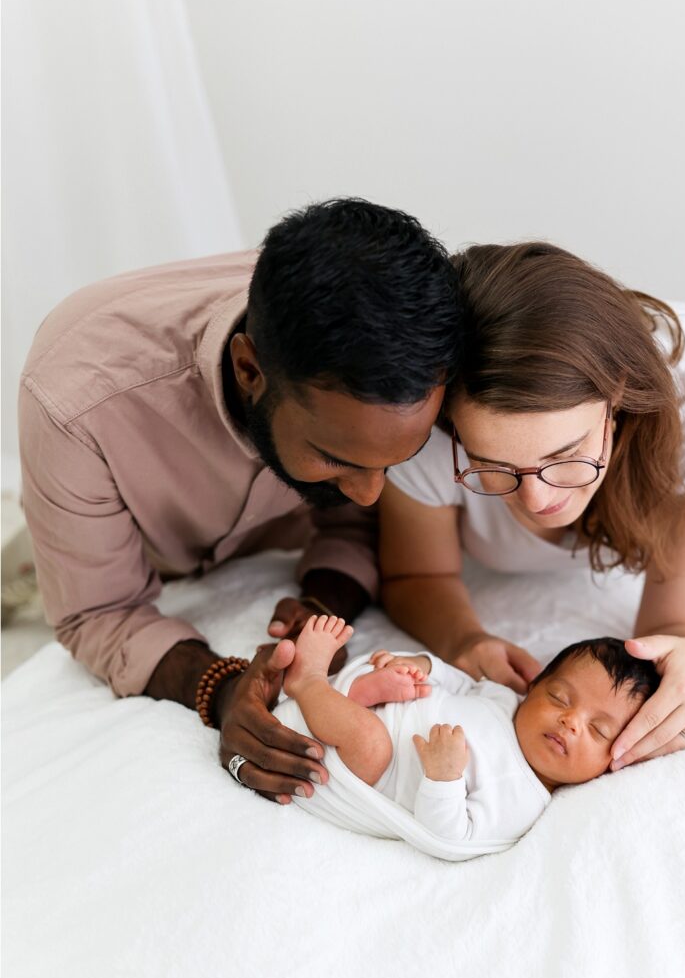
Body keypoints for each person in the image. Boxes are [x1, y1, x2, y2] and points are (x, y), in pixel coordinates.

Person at [18, 198, 465, 802]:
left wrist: (324, 599)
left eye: (395, 462)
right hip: (97, 540)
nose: (370, 493)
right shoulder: (75, 404)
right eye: (336, 459)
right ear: (249, 370)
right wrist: (224, 688)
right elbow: (98, 612)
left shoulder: (390, 353)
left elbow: (355, 524)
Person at [379, 242, 685, 773]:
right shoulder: (420, 414)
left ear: (618, 404)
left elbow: (674, 627)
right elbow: (416, 573)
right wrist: (465, 639)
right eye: (494, 466)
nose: (537, 500)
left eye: (565, 456)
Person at [264, 614, 659, 847]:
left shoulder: (523, 800)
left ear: (614, 759)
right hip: (381, 709)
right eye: (559, 697)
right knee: (409, 684)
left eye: (598, 730)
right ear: (533, 686)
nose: (571, 721)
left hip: (372, 768)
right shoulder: (503, 701)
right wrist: (418, 665)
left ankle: (308, 681)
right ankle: (365, 691)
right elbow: (457, 681)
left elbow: (452, 835)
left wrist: (444, 778)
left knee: (371, 743)